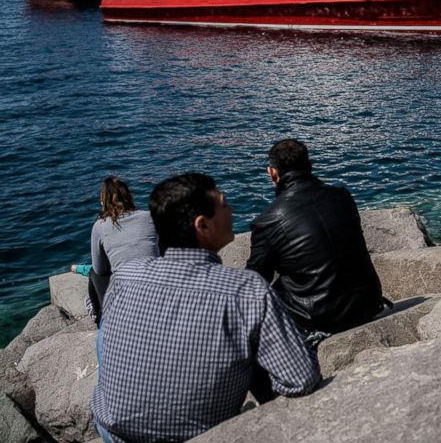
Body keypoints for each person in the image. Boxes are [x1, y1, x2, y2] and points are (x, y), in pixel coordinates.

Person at [92, 173, 320, 443]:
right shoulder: (246, 290)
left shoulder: (125, 276)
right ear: (202, 226)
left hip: (111, 429)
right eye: (223, 205)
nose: (231, 209)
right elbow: (300, 379)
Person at [246, 139, 385, 338]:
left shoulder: (268, 221)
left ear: (272, 173)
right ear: (309, 166)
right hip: (368, 303)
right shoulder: (342, 196)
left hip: (319, 318)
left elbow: (255, 281)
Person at [85, 176, 159, 325]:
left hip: (129, 300)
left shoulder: (100, 226)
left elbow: (99, 269)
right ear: (129, 197)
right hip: (157, 289)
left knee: (93, 272)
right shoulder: (150, 216)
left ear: (102, 201)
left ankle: (100, 317)